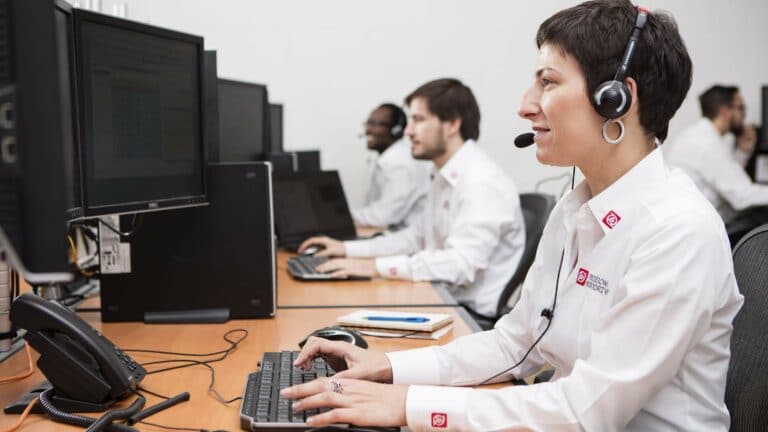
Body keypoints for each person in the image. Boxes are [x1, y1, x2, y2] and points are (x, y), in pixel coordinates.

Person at [281, 1, 744, 430]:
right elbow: (515, 344)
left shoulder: (676, 230)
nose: (526, 105)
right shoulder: (576, 207)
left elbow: (586, 414)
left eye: (548, 81)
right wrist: (388, 368)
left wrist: (407, 404)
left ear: (616, 98)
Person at [300, 78, 526, 318]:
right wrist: (347, 249)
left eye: (418, 120)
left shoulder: (481, 182)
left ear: (451, 125)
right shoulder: (444, 176)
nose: (408, 131)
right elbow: (415, 238)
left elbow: (459, 265)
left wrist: (372, 267)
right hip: (440, 297)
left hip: (466, 316)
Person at [665, 85, 768, 224]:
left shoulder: (698, 135)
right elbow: (742, 197)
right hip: (702, 225)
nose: (744, 114)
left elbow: (728, 179)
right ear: (725, 111)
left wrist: (743, 151)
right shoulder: (708, 144)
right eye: (740, 107)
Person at [351, 103, 431, 229]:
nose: (368, 130)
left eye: (374, 124)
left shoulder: (400, 164)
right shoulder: (389, 161)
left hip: (408, 240)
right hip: (396, 235)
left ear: (396, 130)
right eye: (368, 123)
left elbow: (382, 217)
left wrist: (342, 217)